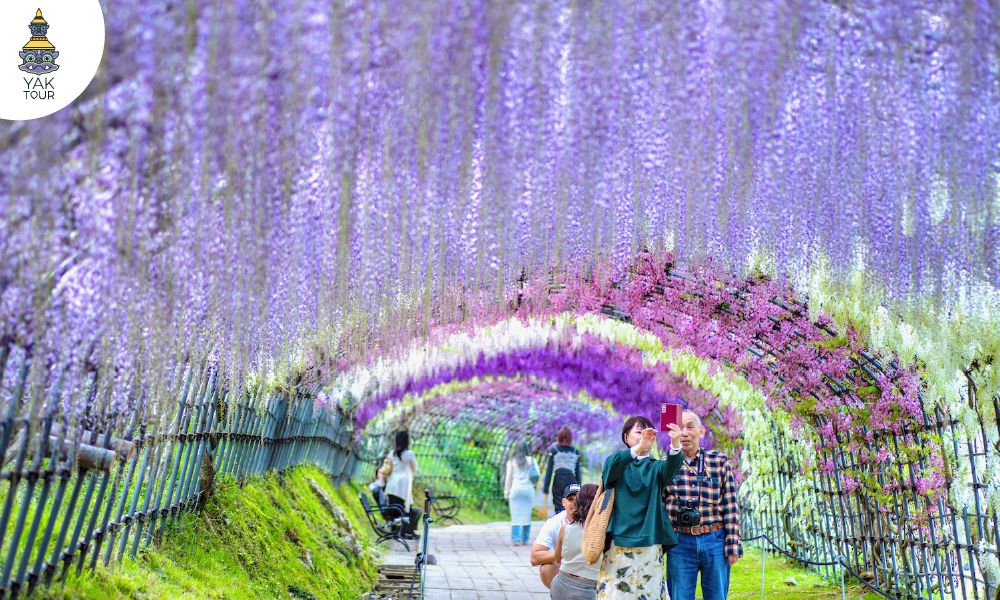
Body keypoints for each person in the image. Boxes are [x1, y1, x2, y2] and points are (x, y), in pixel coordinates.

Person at [596, 416, 683, 600]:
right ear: (626, 437)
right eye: (638, 432)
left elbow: (672, 466)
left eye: (649, 433)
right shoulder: (617, 462)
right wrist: (638, 448)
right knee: (615, 595)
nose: (644, 436)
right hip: (619, 541)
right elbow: (610, 470)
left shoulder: (656, 467)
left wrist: (675, 444)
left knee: (648, 593)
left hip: (650, 542)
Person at [664, 410, 742, 600]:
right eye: (680, 428)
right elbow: (658, 507)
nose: (684, 433)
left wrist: (733, 544)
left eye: (690, 427)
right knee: (680, 597)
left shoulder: (719, 462)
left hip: (714, 540)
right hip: (679, 542)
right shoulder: (665, 465)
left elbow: (731, 506)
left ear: (702, 432)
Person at [551, 483, 600, 599]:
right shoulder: (601, 533)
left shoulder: (565, 529)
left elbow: (557, 558)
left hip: (559, 585)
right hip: (586, 590)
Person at [531, 484, 580, 588]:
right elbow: (534, 557)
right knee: (546, 568)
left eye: (578, 500)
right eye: (570, 499)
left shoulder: (592, 521)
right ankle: (559, 593)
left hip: (586, 568)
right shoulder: (554, 522)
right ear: (563, 502)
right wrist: (562, 554)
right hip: (564, 566)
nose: (575, 503)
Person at [384, 430, 422, 539]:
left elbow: (387, 467)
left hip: (392, 485)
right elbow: (415, 468)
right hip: (403, 485)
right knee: (404, 509)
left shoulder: (391, 453)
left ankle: (394, 532)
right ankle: (403, 533)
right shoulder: (409, 454)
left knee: (393, 509)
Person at [505, 440, 539, 545]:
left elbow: (508, 478)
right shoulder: (532, 460)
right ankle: (525, 539)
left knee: (515, 516)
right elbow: (537, 474)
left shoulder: (511, 461)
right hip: (528, 490)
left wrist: (506, 491)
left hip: (516, 489)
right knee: (527, 515)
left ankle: (516, 539)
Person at [543, 426, 582, 515]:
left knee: (558, 507)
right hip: (571, 481)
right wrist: (580, 488)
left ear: (559, 437)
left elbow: (549, 470)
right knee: (572, 506)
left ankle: (560, 523)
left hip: (558, 481)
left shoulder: (554, 450)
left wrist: (546, 488)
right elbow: (578, 472)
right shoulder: (575, 451)